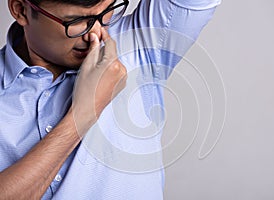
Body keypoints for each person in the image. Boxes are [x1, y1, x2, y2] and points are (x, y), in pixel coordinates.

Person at [0, 0, 221, 199]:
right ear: (21, 10)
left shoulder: (140, 42)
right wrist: (83, 114)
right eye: (77, 21)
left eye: (106, 12)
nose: (95, 34)